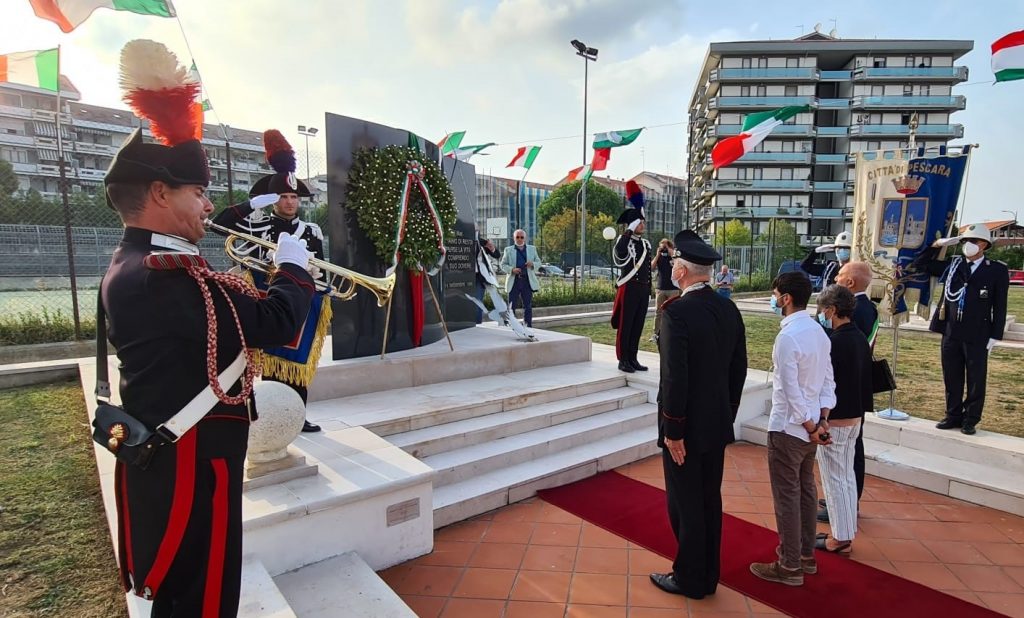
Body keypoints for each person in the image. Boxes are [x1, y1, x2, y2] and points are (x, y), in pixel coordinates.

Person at [100, 39, 314, 617]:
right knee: (202, 599)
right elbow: (271, 322)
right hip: (194, 467)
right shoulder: (162, 274)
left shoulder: (146, 263)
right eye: (198, 193)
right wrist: (294, 270)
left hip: (188, 459)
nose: (207, 206)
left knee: (194, 594)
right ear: (160, 193)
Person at [649, 230, 747, 600]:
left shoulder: (677, 312)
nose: (672, 266)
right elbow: (739, 368)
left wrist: (673, 430)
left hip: (686, 429)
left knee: (685, 503)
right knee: (709, 500)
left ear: (683, 272)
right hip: (715, 424)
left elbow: (676, 376)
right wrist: (727, 413)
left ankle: (690, 578)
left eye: (675, 263)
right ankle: (708, 574)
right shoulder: (728, 308)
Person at [212, 130, 327, 433]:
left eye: (293, 197)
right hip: (263, 297)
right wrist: (252, 204)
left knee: (297, 365)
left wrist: (320, 283)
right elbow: (218, 225)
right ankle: (267, 415)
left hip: (301, 298)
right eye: (283, 197)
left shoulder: (312, 230)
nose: (290, 202)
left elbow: (323, 269)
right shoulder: (256, 224)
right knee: (265, 363)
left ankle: (297, 414)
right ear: (274, 199)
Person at [750, 272, 835, 586]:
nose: (774, 299)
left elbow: (789, 390)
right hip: (810, 426)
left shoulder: (789, 337)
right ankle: (805, 556)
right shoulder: (818, 332)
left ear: (785, 298)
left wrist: (812, 424)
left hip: (790, 427)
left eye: (775, 294)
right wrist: (822, 420)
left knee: (788, 496)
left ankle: (788, 565)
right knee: (806, 490)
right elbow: (828, 381)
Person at [913, 223, 1009, 435]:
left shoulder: (996, 270)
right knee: (952, 375)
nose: (968, 245)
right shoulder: (954, 265)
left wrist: (995, 334)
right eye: (965, 241)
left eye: (973, 241)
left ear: (984, 244)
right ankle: (952, 414)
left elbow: (1000, 305)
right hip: (951, 331)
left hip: (978, 332)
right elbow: (920, 264)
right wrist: (937, 245)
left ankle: (971, 418)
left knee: (976, 378)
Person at [818, 260, 879, 525]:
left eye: (840, 276)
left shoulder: (860, 311)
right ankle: (841, 499)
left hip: (846, 394)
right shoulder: (863, 308)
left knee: (848, 455)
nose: (836, 278)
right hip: (852, 389)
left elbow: (848, 352)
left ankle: (847, 503)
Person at [814, 285, 872, 555]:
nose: (820, 315)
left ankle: (839, 537)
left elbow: (827, 384)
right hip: (854, 417)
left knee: (834, 479)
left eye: (822, 310)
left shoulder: (834, 343)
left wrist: (822, 419)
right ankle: (844, 531)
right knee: (845, 477)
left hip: (836, 420)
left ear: (832, 311)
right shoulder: (858, 337)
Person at [611, 181, 653, 373]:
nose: (643, 225)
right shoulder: (624, 240)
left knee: (638, 325)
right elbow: (620, 252)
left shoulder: (645, 244)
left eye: (642, 222)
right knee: (626, 325)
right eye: (640, 223)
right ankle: (623, 359)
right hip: (629, 287)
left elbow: (647, 268)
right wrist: (629, 230)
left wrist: (649, 289)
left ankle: (633, 358)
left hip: (643, 289)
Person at [500, 229, 541, 327]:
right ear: (514, 238)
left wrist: (532, 264)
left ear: (525, 238)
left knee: (527, 305)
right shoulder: (508, 249)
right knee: (511, 306)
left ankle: (528, 325)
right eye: (517, 237)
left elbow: (539, 262)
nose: (519, 239)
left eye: (521, 237)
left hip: (527, 280)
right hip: (514, 280)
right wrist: (512, 269)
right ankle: (511, 325)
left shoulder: (532, 249)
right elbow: (502, 265)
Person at [650, 238, 678, 342]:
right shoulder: (659, 257)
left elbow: (679, 266)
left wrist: (671, 253)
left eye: (665, 246)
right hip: (660, 288)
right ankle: (656, 333)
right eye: (662, 246)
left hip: (673, 289)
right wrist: (658, 254)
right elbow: (651, 267)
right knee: (658, 312)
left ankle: (672, 332)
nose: (664, 249)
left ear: (670, 246)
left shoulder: (674, 256)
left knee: (673, 312)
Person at [474, 234, 501, 323]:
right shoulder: (463, 240)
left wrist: (492, 247)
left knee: (478, 301)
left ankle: (477, 324)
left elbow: (497, 255)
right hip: (464, 276)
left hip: (479, 277)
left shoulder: (482, 242)